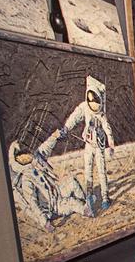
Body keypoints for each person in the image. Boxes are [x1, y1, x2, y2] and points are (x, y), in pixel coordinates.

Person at [36, 75, 114, 215]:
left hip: (99, 147)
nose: (92, 104)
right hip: (89, 146)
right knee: (88, 170)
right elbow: (75, 116)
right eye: (90, 100)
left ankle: (105, 197)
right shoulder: (85, 107)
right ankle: (88, 196)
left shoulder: (101, 115)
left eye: (95, 101)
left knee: (101, 171)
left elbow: (108, 130)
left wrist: (111, 146)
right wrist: (66, 128)